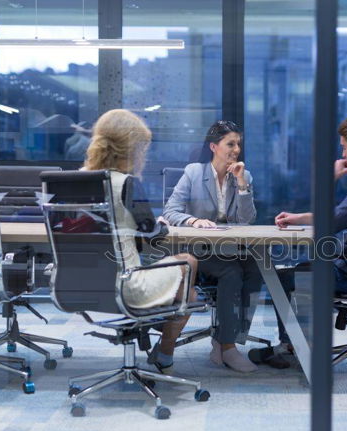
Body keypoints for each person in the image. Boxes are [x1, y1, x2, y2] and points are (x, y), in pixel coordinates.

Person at [249, 114, 347, 368]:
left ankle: (289, 348)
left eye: (344, 147)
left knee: (283, 278)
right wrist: (300, 218)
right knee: (302, 270)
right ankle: (296, 344)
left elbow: (333, 223)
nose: (342, 152)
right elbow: (341, 215)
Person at [81, 109, 198, 373]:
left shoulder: (75, 181)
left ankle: (156, 327)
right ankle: (165, 349)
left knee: (181, 286)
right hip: (126, 284)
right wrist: (162, 227)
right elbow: (152, 235)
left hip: (83, 282)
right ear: (130, 149)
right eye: (142, 148)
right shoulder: (128, 184)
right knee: (189, 266)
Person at [163, 120, 261, 372]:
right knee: (232, 272)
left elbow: (246, 220)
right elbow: (170, 211)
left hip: (230, 249)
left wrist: (241, 185)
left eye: (238, 144)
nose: (236, 149)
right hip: (197, 251)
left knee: (255, 269)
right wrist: (194, 220)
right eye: (230, 144)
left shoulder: (244, 175)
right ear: (214, 146)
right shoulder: (194, 172)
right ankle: (228, 347)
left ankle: (226, 338)